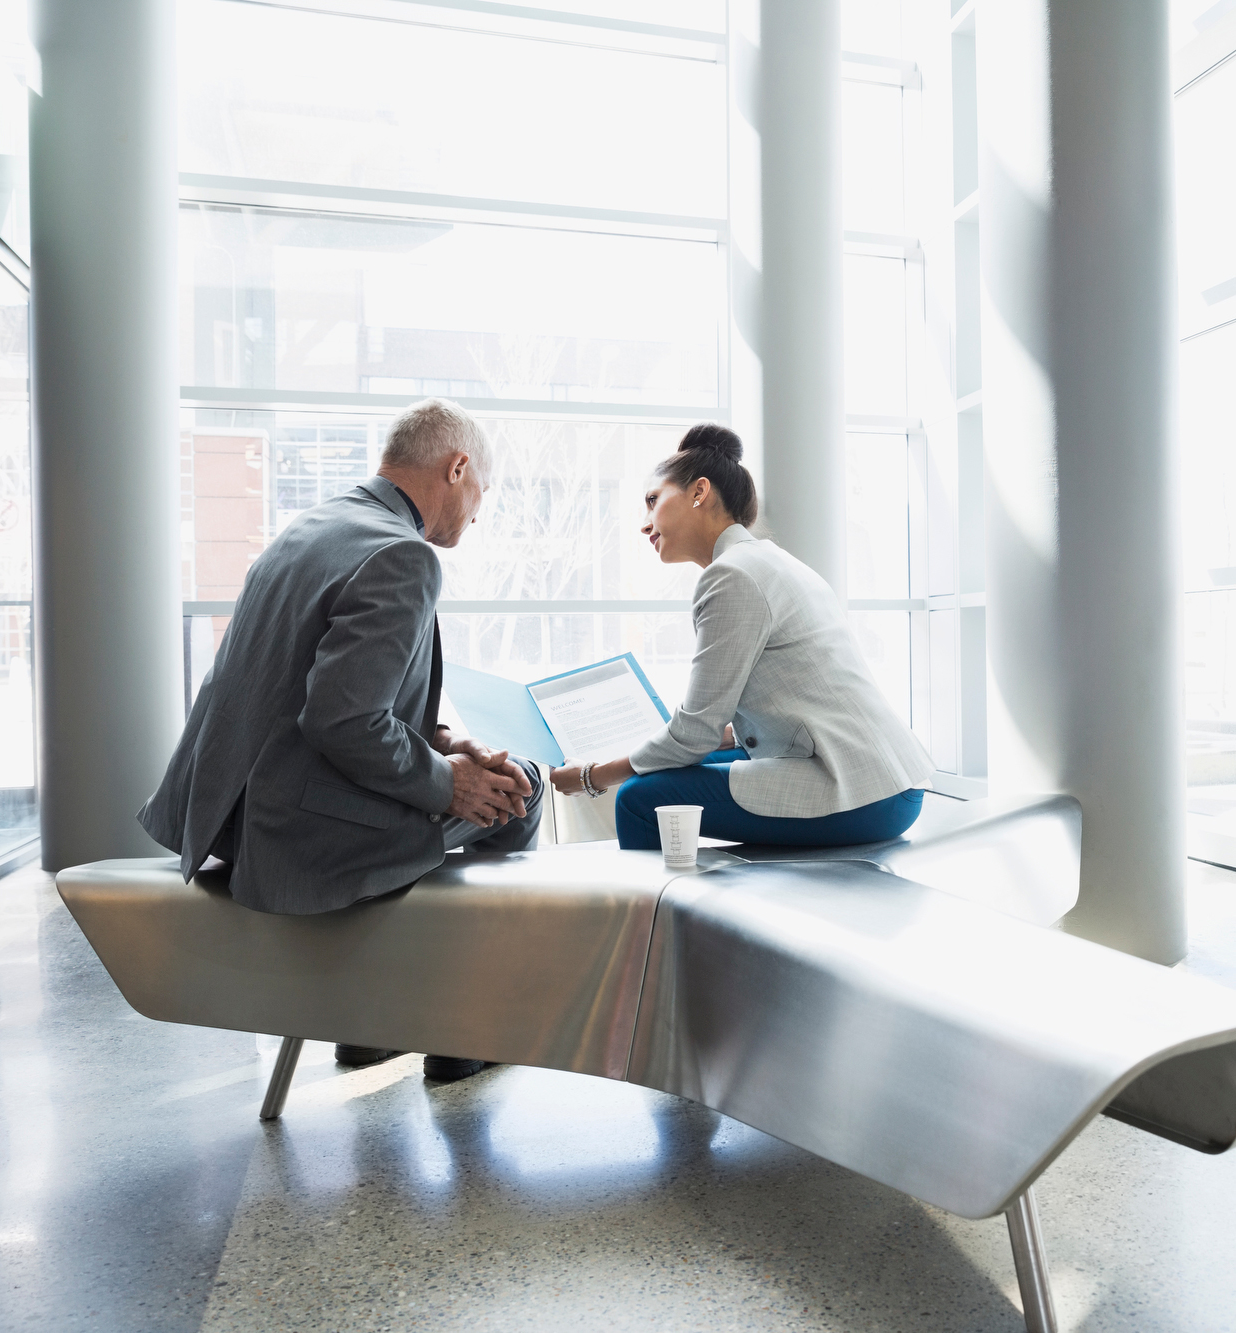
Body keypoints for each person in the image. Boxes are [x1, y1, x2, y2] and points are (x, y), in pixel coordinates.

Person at [139, 398, 542, 1081]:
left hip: (231, 815)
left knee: (469, 786)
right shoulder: (403, 556)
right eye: (483, 491)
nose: (479, 510)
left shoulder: (314, 526)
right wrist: (453, 781)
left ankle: (368, 1020)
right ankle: (458, 1027)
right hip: (297, 833)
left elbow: (310, 691)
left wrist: (443, 743)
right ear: (458, 467)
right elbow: (344, 722)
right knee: (519, 792)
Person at [550, 423, 933, 849]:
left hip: (863, 792)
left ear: (699, 492)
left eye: (653, 501)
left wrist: (591, 776)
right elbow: (731, 723)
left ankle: (668, 913)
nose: (644, 524)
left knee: (639, 798)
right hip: (891, 775)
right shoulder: (769, 560)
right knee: (658, 772)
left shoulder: (731, 576)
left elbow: (693, 733)